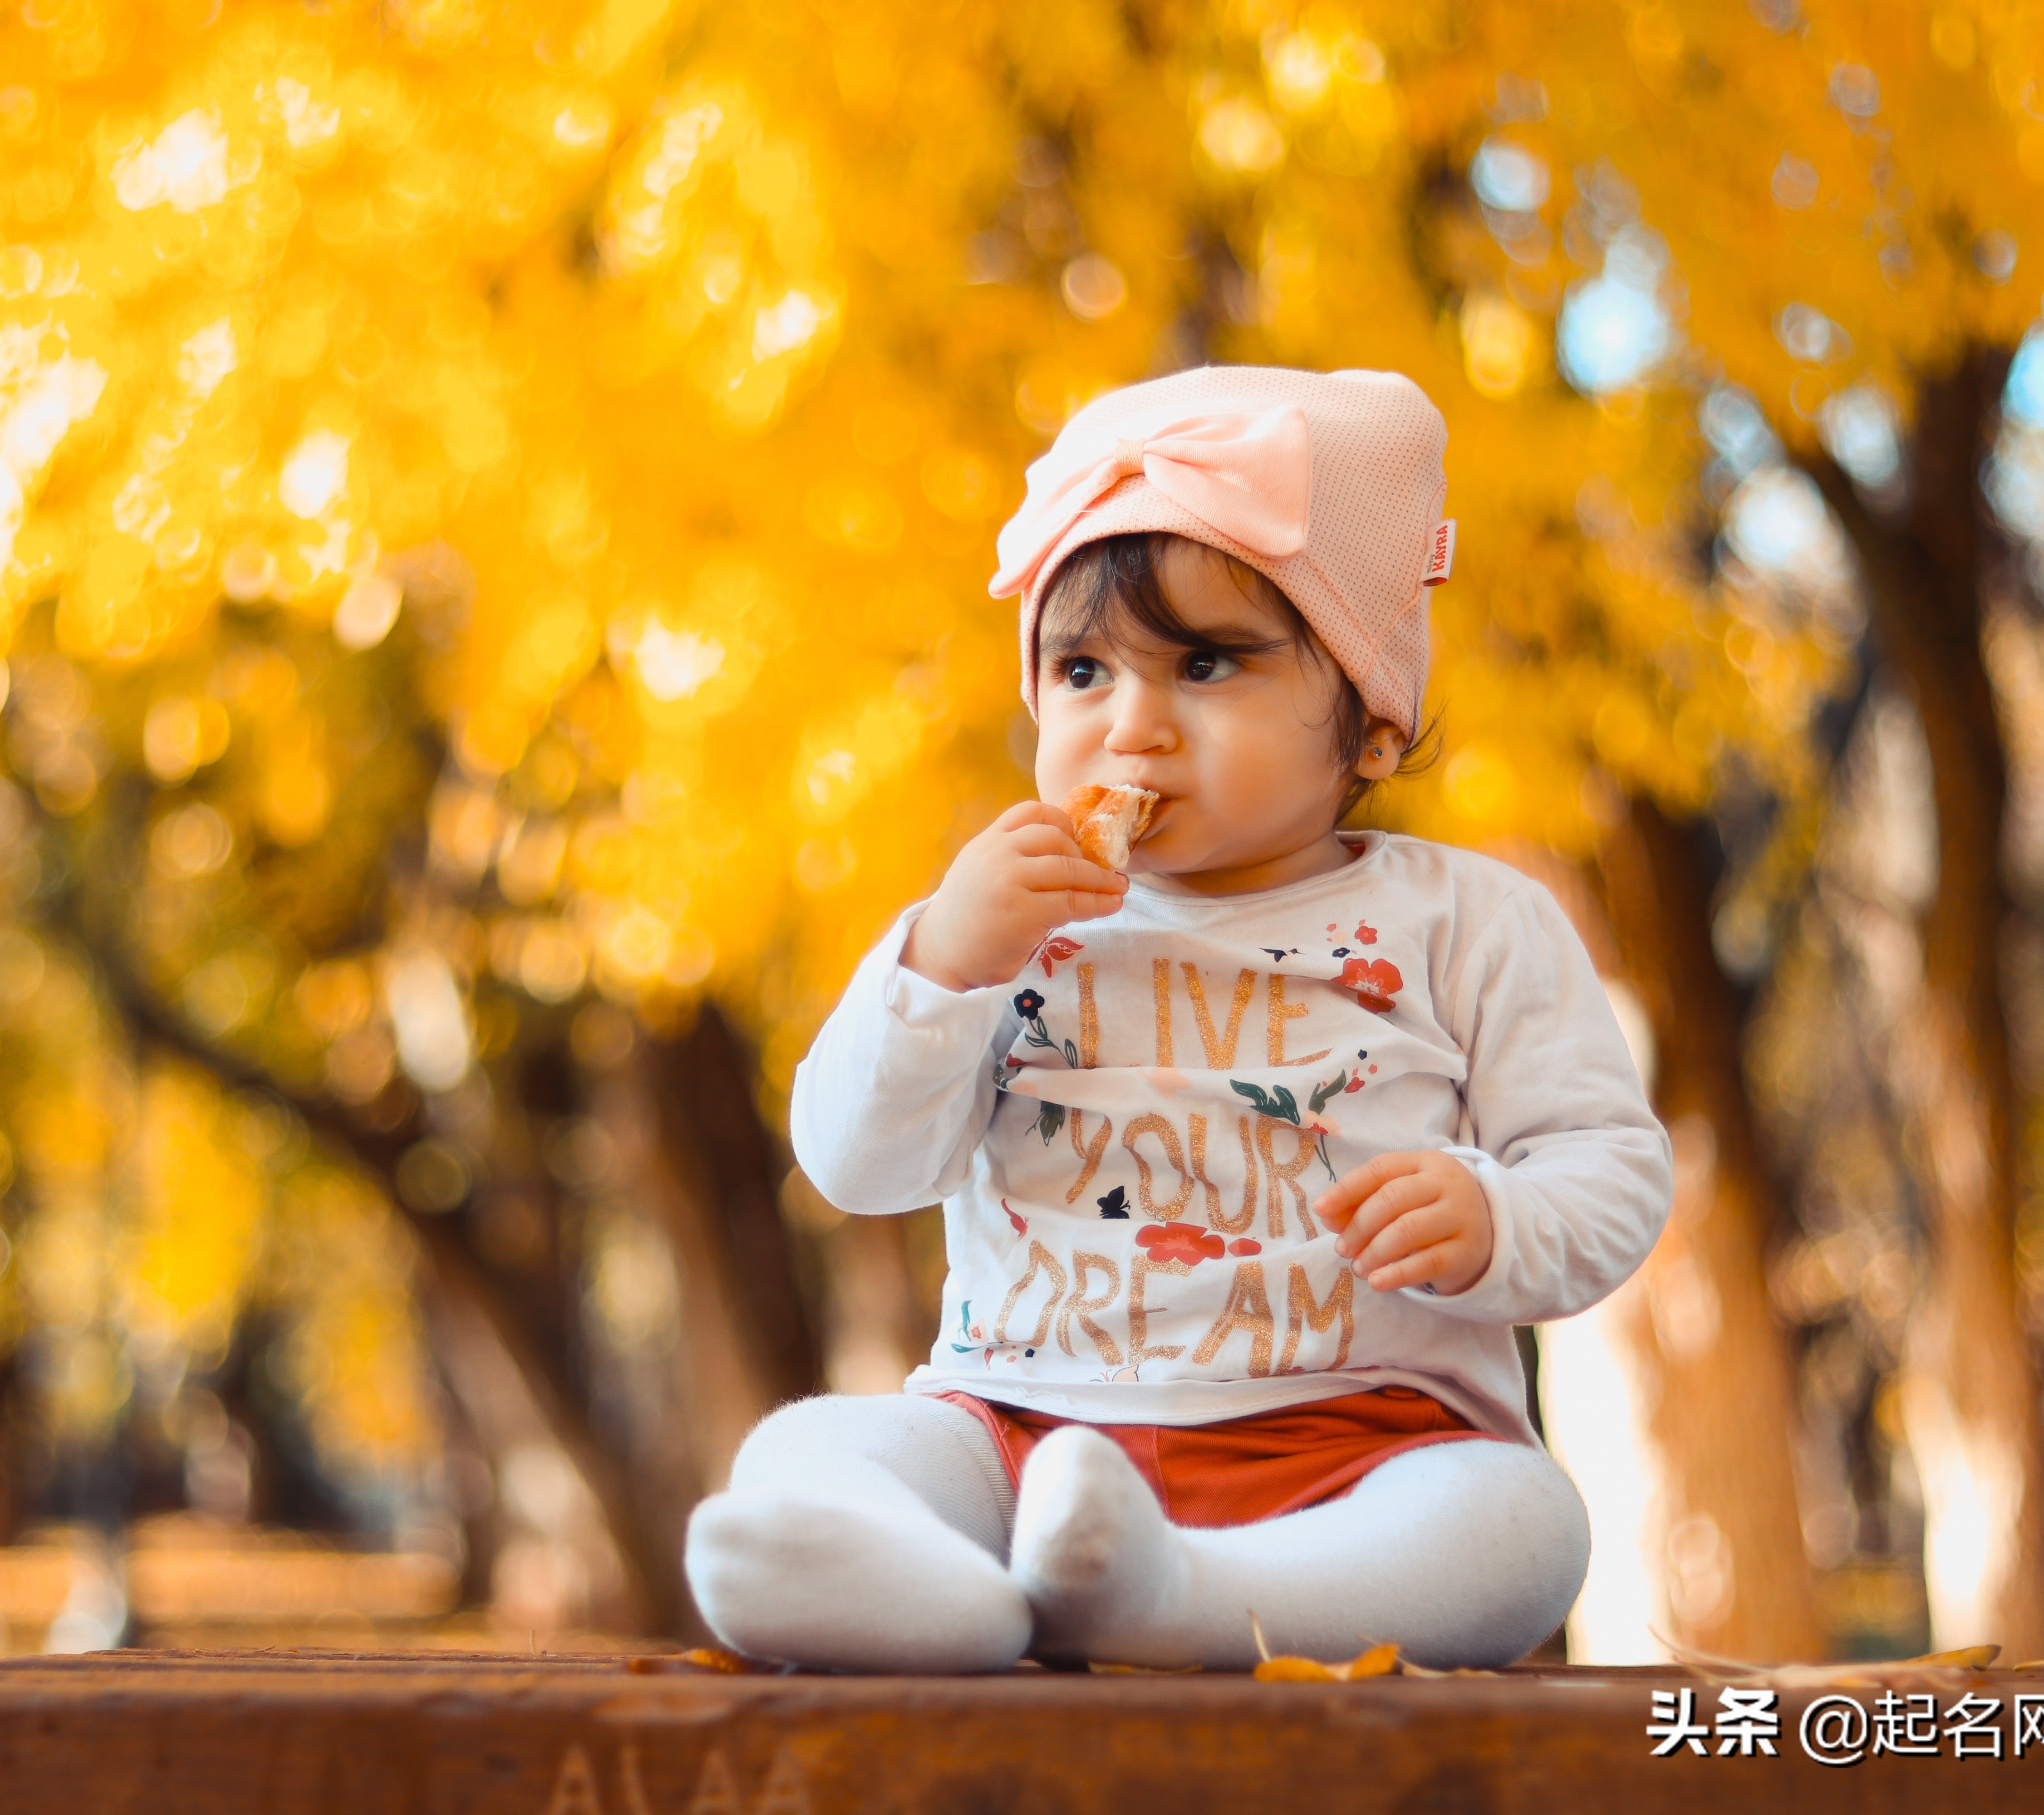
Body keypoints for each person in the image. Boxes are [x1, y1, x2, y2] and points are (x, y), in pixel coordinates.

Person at [684, 366, 1672, 1673]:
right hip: (1019, 1431)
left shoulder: (1467, 921)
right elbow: (857, 1167)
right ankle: (947, 1604)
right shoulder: (996, 926)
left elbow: (1610, 1167)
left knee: (1522, 1527)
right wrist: (940, 968)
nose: (1132, 727)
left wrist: (1496, 1217)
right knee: (809, 1445)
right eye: (1082, 670)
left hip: (1358, 1440)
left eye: (1205, 664)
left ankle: (1183, 1596)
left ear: (1372, 725)